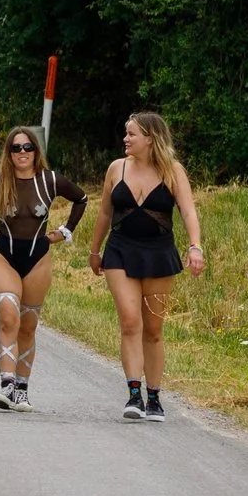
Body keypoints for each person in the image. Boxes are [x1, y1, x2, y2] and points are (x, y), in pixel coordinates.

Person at [0, 127, 86, 412]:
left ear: (36, 151)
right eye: (16, 148)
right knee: (8, 318)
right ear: (9, 153)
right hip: (4, 255)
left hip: (38, 258)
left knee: (27, 327)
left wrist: (64, 231)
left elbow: (81, 199)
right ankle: (6, 386)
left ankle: (22, 390)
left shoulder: (50, 180)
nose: (22, 153)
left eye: (27, 148)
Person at [92, 110, 205, 421]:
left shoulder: (173, 171)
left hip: (158, 253)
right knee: (130, 322)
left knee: (153, 330)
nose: (125, 139)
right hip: (119, 251)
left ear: (150, 139)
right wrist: (94, 250)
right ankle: (133, 395)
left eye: (132, 134)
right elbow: (104, 213)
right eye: (126, 133)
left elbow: (188, 211)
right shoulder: (116, 168)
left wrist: (195, 246)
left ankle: (154, 397)